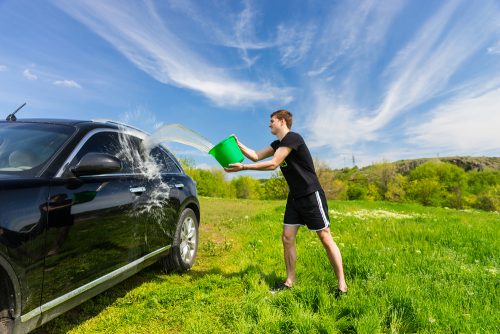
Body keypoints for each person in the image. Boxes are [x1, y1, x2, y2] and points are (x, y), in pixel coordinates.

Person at [225, 109, 348, 296]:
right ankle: (289, 282)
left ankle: (342, 285)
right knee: (287, 238)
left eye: (272, 120)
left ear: (282, 121)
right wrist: (238, 144)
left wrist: (243, 167)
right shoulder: (277, 144)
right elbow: (257, 156)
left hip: (310, 194)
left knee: (325, 238)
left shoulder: (293, 138)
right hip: (294, 197)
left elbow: (274, 163)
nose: (269, 124)